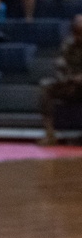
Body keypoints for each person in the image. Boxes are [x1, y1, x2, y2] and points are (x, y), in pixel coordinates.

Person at [38, 14, 82, 145]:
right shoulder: (68, 44)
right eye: (76, 32)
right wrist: (67, 78)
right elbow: (60, 65)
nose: (79, 36)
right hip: (70, 83)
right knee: (45, 86)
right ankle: (50, 134)